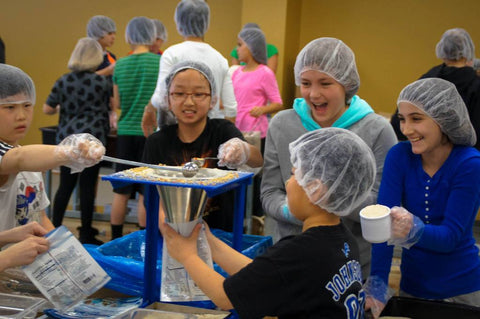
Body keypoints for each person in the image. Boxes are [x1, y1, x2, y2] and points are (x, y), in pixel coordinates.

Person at [160, 128, 376, 318]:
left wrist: (186, 255)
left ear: (315, 189)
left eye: (294, 175)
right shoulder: (344, 240)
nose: (287, 182)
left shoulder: (300, 251)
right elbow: (264, 276)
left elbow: (225, 297)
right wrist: (210, 243)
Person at [261, 37, 398, 279]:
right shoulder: (282, 125)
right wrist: (296, 211)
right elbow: (270, 192)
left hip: (350, 266)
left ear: (346, 84)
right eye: (305, 83)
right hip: (289, 261)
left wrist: (325, 203)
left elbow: (380, 206)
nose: (314, 94)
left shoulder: (376, 131)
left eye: (325, 83)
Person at [366, 78, 480, 317]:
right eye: (403, 119)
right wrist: (377, 283)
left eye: (416, 119)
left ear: (444, 119)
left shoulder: (469, 163)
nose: (406, 129)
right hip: (413, 287)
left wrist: (412, 229)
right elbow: (382, 225)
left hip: (462, 289)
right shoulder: (400, 156)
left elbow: (450, 236)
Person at [143, 60, 263, 231]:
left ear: (213, 100)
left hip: (221, 235)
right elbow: (152, 199)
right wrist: (171, 235)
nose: (189, 102)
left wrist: (243, 150)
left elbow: (257, 161)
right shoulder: (157, 142)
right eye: (179, 93)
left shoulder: (223, 132)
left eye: (199, 94)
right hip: (171, 234)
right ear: (168, 100)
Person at [0, 63, 106, 235]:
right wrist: (68, 152)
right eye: (10, 107)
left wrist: (61, 247)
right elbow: (18, 158)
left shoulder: (32, 169)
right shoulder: (20, 158)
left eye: (27, 105)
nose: (21, 116)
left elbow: (40, 218)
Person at [43, 37, 112, 244]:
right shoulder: (102, 82)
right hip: (92, 141)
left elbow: (47, 109)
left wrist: (63, 107)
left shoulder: (63, 81)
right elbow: (112, 105)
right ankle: (86, 233)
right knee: (88, 187)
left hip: (68, 139)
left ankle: (53, 228)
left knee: (65, 185)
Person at [141, 0, 237, 136]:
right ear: (206, 24)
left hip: (174, 136)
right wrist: (227, 138)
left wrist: (149, 109)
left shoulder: (172, 54)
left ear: (179, 24)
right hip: (209, 138)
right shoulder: (220, 59)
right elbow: (231, 108)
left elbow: (161, 97)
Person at [109, 16, 160, 239]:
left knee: (121, 190)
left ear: (128, 36)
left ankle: (116, 238)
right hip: (150, 133)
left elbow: (117, 103)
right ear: (152, 35)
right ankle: (143, 240)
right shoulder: (160, 61)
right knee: (144, 190)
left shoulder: (120, 64)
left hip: (126, 131)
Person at [390, 28, 480, 151]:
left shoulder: (428, 78)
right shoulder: (475, 83)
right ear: (468, 51)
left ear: (442, 49)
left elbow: (397, 124)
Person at [232, 26, 283, 153]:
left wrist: (262, 109)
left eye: (240, 45)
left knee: (254, 168)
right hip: (236, 129)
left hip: (255, 132)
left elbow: (278, 103)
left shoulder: (265, 73)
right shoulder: (236, 72)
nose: (236, 49)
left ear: (251, 46)